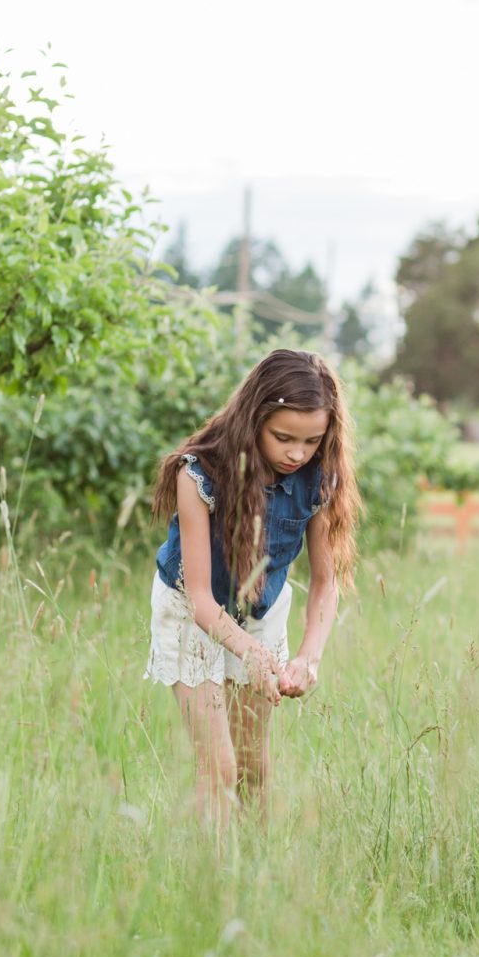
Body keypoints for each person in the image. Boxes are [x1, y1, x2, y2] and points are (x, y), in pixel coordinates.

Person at [144, 348, 361, 831]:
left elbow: (325, 583)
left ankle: (254, 883)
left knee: (253, 770)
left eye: (311, 440)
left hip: (260, 612)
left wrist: (308, 657)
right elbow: (200, 598)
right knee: (218, 767)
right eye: (282, 437)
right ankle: (212, 886)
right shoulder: (198, 473)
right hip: (192, 612)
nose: (297, 453)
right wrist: (251, 654)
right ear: (254, 418)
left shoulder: (319, 476)